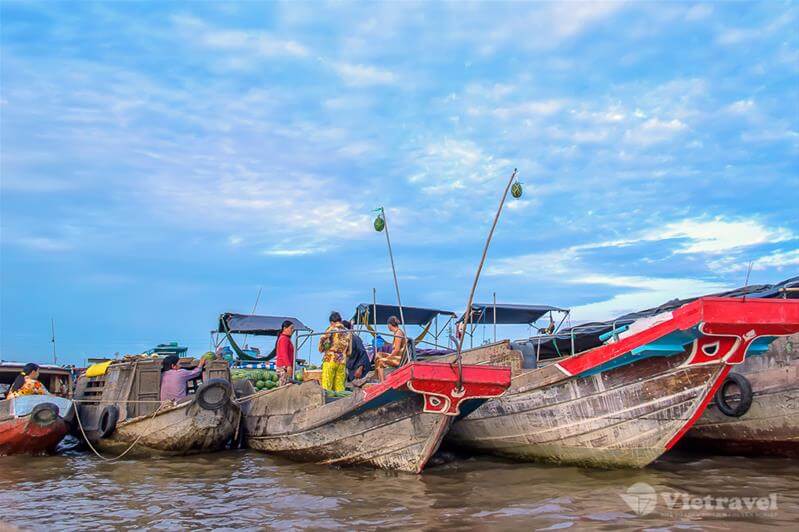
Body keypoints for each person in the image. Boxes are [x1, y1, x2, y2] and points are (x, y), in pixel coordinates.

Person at [318, 311, 350, 392]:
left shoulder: (331, 329)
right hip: (342, 361)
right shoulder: (348, 332)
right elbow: (349, 352)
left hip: (330, 359)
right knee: (340, 387)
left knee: (327, 384)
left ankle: (327, 402)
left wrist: (321, 346)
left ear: (331, 322)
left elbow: (322, 344)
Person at [374, 316, 406, 382]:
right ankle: (376, 376)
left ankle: (382, 383)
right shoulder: (396, 332)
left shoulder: (398, 333)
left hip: (399, 359)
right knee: (378, 354)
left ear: (389, 325)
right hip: (396, 356)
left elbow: (397, 350)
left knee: (380, 361)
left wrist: (388, 357)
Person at [275, 320, 295, 386]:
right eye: (291, 328)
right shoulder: (284, 339)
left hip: (284, 367)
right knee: (284, 388)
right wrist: (288, 366)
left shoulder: (285, 338)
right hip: (284, 368)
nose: (293, 330)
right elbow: (284, 354)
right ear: (284, 328)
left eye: (293, 328)